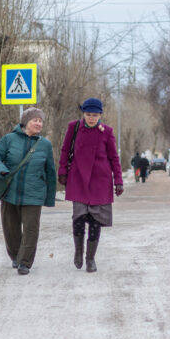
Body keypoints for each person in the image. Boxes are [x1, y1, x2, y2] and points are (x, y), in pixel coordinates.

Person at [0, 107, 57, 276]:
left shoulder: (45, 145)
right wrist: (1, 169)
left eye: (40, 121)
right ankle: (15, 256)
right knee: (10, 228)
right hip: (9, 190)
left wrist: (49, 198)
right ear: (26, 122)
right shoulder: (9, 139)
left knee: (31, 228)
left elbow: (50, 171)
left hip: (34, 192)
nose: (39, 123)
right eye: (35, 120)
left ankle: (25, 262)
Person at [58, 97, 123, 273]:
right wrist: (62, 170)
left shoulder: (107, 132)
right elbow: (65, 150)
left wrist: (118, 180)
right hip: (78, 178)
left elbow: (114, 158)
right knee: (78, 217)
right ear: (83, 114)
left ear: (100, 115)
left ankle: (90, 259)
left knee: (95, 220)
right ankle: (78, 252)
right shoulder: (74, 127)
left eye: (95, 115)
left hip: (100, 181)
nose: (91, 118)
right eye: (88, 114)